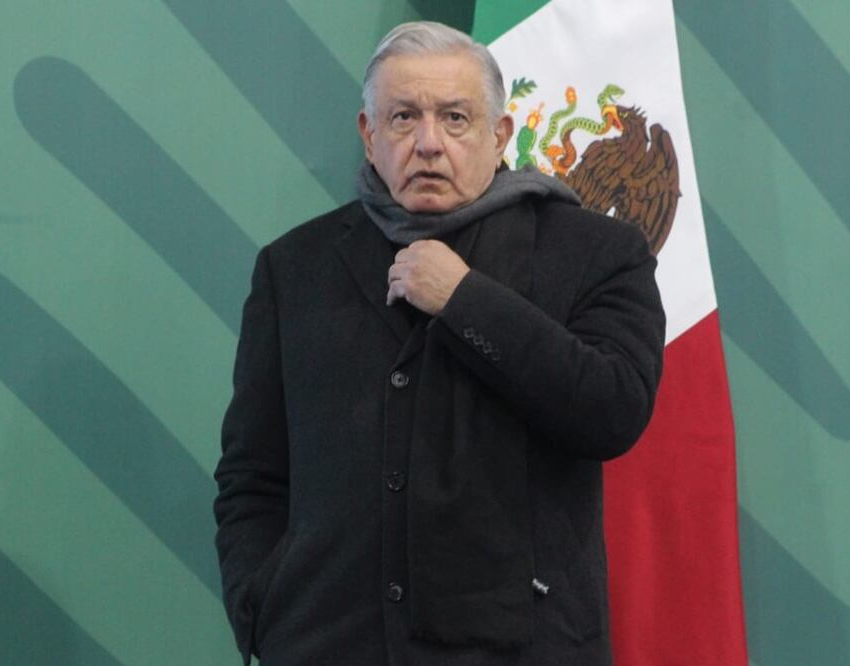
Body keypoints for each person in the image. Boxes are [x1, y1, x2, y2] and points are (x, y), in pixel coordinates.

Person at [214, 20, 665, 666]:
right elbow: (252, 474)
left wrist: (465, 299)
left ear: (499, 135)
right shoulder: (293, 268)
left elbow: (612, 410)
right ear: (369, 135)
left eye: (455, 118)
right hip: (327, 646)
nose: (428, 143)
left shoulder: (596, 252)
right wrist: (262, 609)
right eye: (403, 117)